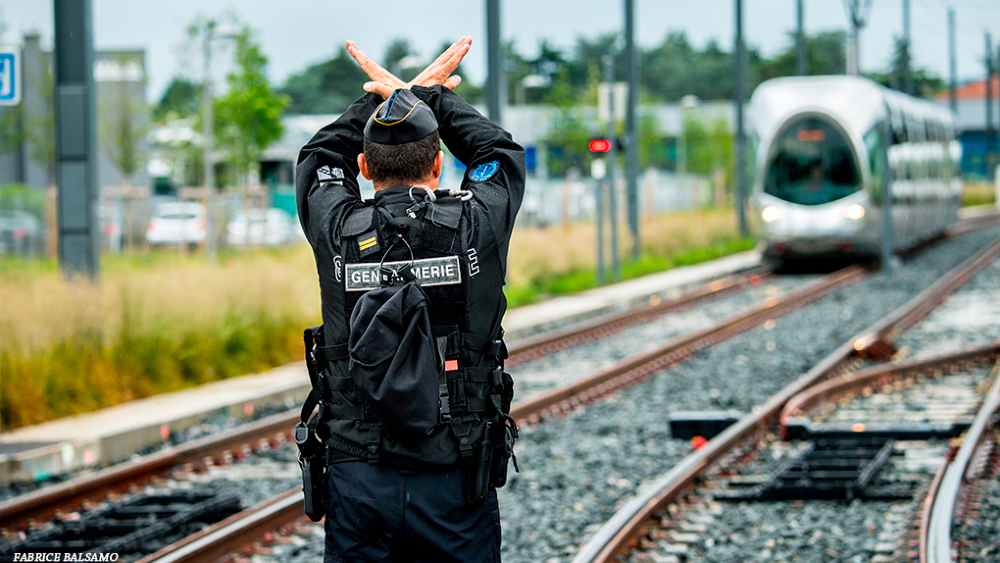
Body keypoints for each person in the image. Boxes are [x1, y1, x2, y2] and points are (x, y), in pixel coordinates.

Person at [295, 37, 525, 563]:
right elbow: (498, 154)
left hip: (357, 476)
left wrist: (383, 101)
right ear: (439, 165)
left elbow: (320, 156)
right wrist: (428, 97)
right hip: (456, 476)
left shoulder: (336, 231)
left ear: (365, 168)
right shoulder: (475, 226)